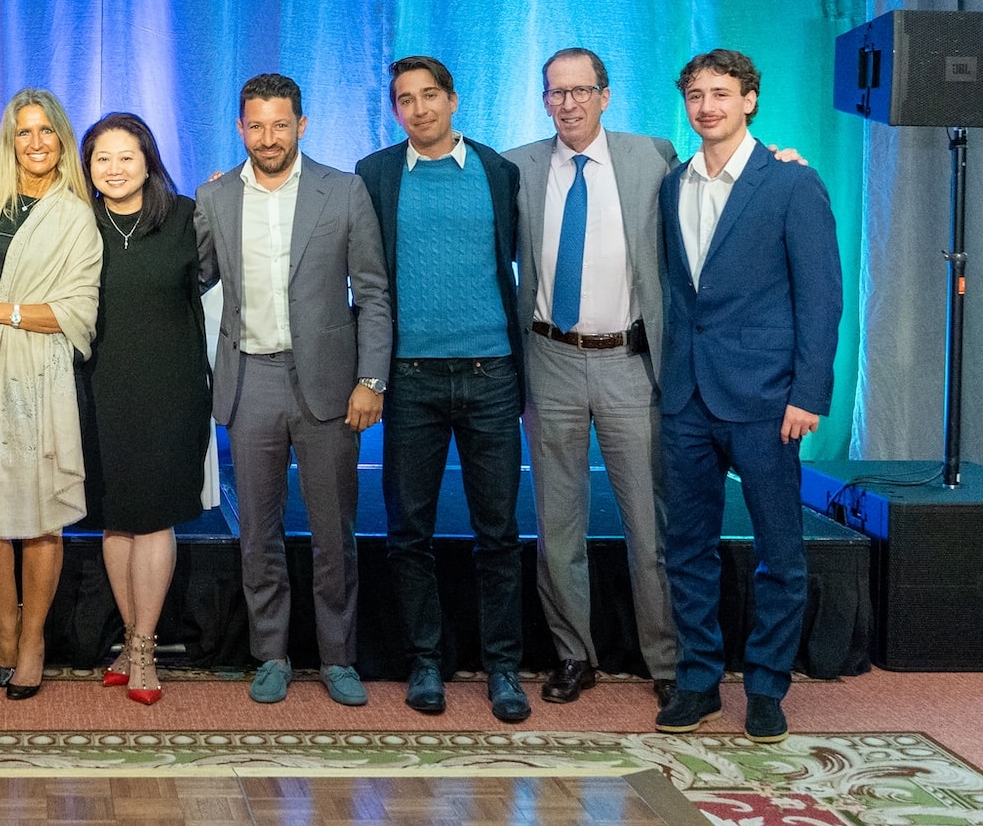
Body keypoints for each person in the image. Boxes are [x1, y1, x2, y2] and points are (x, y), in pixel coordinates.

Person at [654, 49, 841, 745]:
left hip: (768, 399)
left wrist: (808, 392)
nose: (707, 106)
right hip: (686, 396)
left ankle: (766, 686)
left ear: (750, 100)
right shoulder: (672, 184)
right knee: (688, 546)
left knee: (780, 552)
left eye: (722, 94)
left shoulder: (792, 183)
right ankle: (699, 681)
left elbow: (821, 298)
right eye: (696, 95)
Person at [195, 75, 391, 708]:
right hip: (250, 380)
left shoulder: (344, 191)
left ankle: (337, 656)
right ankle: (271, 654)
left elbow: (374, 293)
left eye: (281, 125)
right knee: (258, 532)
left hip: (332, 388)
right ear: (240, 129)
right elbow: (188, 279)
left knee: (335, 530)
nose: (269, 137)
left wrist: (371, 379)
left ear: (301, 125)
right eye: (256, 125)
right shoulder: (215, 198)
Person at [502, 48, 680, 708]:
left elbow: (715, 188)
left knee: (649, 522)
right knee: (558, 524)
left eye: (581, 91)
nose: (569, 103)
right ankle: (575, 655)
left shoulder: (652, 157)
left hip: (630, 361)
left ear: (606, 95)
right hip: (549, 359)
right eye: (556, 93)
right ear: (544, 100)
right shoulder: (515, 168)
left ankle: (666, 659)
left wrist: (780, 160)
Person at [357, 55, 530, 723]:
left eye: (431, 95)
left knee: (499, 532)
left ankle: (503, 669)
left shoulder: (497, 171)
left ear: (454, 100)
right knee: (409, 530)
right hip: (410, 380)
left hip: (491, 375)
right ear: (395, 110)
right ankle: (424, 660)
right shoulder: (374, 176)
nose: (420, 109)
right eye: (406, 99)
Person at [0, 88, 102, 700]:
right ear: (10, 140)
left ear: (62, 139)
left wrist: (0, 311)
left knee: (41, 519)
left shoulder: (74, 216)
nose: (35, 142)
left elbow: (79, 313)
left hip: (37, 378)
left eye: (46, 131)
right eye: (23, 132)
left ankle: (33, 638)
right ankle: (6, 625)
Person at [80, 113, 214, 706]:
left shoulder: (188, 216)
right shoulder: (77, 222)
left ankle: (142, 648)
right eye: (101, 159)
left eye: (126, 157)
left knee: (155, 516)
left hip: (172, 388)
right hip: (98, 387)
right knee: (115, 516)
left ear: (148, 160)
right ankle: (132, 638)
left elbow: (213, 281)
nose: (114, 169)